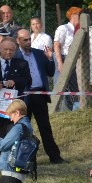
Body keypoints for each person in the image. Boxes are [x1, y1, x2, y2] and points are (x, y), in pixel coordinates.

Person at [15, 28, 62, 164]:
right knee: (25, 128)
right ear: (18, 41)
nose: (28, 42)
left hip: (40, 94)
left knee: (45, 126)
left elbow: (50, 72)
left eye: (29, 39)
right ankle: (27, 158)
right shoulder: (16, 56)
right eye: (25, 40)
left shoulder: (39, 53)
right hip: (24, 96)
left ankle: (55, 156)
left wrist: (50, 58)